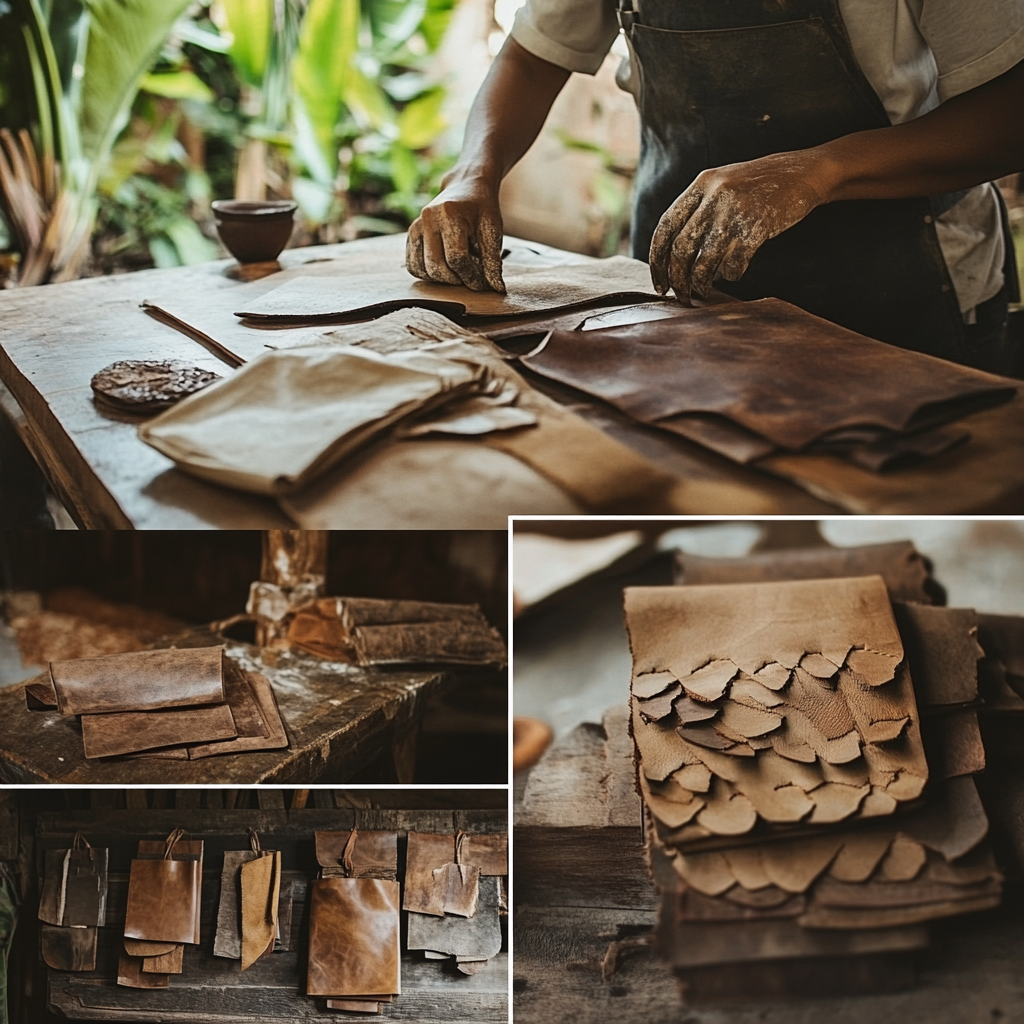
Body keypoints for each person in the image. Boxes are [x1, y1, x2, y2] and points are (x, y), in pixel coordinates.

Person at [406, 1, 1024, 375]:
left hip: (902, 284)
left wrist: (816, 172)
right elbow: (532, 55)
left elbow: (1009, 114)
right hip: (683, 287)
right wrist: (471, 175)